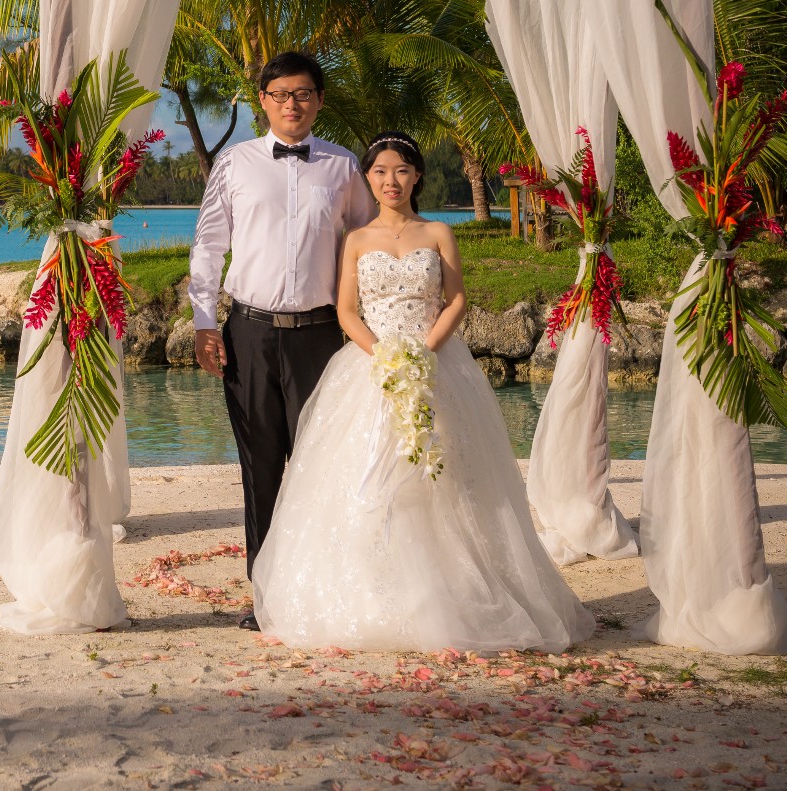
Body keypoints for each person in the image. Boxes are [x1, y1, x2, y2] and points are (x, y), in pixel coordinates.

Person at [250, 131, 595, 653]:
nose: (392, 181)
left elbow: (456, 300)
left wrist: (424, 351)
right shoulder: (357, 240)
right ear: (368, 179)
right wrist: (386, 355)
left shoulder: (438, 232)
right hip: (372, 365)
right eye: (381, 172)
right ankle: (374, 594)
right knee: (368, 480)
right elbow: (346, 312)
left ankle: (456, 594)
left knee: (448, 478)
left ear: (417, 176)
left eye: (402, 171)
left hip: (437, 362)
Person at [189, 51, 373, 629]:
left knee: (324, 467)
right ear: (262, 101)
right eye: (280, 94)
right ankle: (265, 597)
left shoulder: (345, 168)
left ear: (319, 100)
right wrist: (203, 320)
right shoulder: (235, 164)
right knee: (260, 465)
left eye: (303, 93)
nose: (291, 104)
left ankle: (324, 591)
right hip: (249, 332)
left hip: (322, 337)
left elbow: (368, 249)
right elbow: (209, 245)